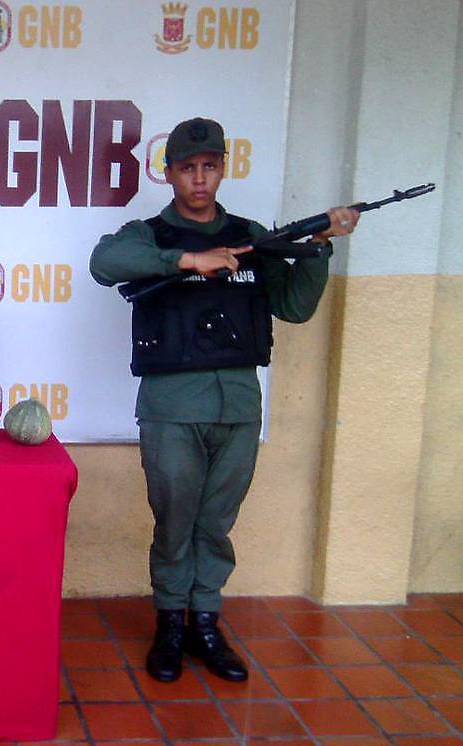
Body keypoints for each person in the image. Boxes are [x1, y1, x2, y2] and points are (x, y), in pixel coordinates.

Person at [89, 118, 359, 683]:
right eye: (188, 168)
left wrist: (318, 248)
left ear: (222, 169)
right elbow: (104, 263)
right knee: (175, 519)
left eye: (209, 167)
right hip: (171, 406)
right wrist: (188, 261)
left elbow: (294, 306)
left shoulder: (250, 235)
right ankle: (170, 623)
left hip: (237, 404)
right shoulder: (149, 235)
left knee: (215, 522)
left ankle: (205, 623)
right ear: (169, 174)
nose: (199, 179)